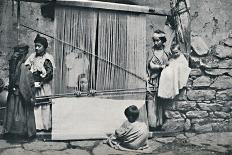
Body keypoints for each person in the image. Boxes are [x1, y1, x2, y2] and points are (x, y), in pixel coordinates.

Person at [3, 44, 36, 139]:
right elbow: (25, 86)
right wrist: (31, 96)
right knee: (21, 113)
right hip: (21, 95)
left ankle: (12, 132)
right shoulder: (23, 68)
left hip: (13, 95)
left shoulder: (13, 67)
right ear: (24, 55)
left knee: (12, 113)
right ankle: (22, 133)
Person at [25, 34, 55, 131]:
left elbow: (50, 73)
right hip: (34, 84)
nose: (37, 48)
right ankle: (37, 126)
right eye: (35, 46)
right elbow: (27, 67)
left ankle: (46, 126)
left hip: (44, 85)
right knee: (36, 105)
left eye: (39, 46)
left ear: (44, 47)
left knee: (45, 105)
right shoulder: (32, 56)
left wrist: (42, 81)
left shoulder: (48, 58)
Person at [146, 30, 170, 131]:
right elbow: (149, 65)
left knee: (161, 102)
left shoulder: (167, 53)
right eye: (154, 41)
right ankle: (151, 124)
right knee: (151, 101)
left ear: (163, 41)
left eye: (158, 41)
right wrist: (160, 67)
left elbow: (169, 65)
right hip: (152, 80)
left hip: (163, 81)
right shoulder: (150, 52)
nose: (155, 43)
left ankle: (160, 123)